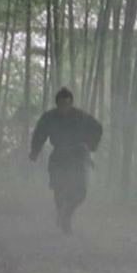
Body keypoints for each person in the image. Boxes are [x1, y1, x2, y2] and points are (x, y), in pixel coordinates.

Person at [29, 87, 102, 234]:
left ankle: (66, 215)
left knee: (80, 192)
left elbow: (97, 128)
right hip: (59, 156)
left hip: (77, 157)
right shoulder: (49, 117)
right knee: (59, 189)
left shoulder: (81, 116)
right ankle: (62, 214)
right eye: (62, 104)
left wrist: (90, 145)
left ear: (71, 103)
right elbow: (39, 133)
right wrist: (35, 150)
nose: (64, 107)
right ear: (57, 104)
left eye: (67, 104)